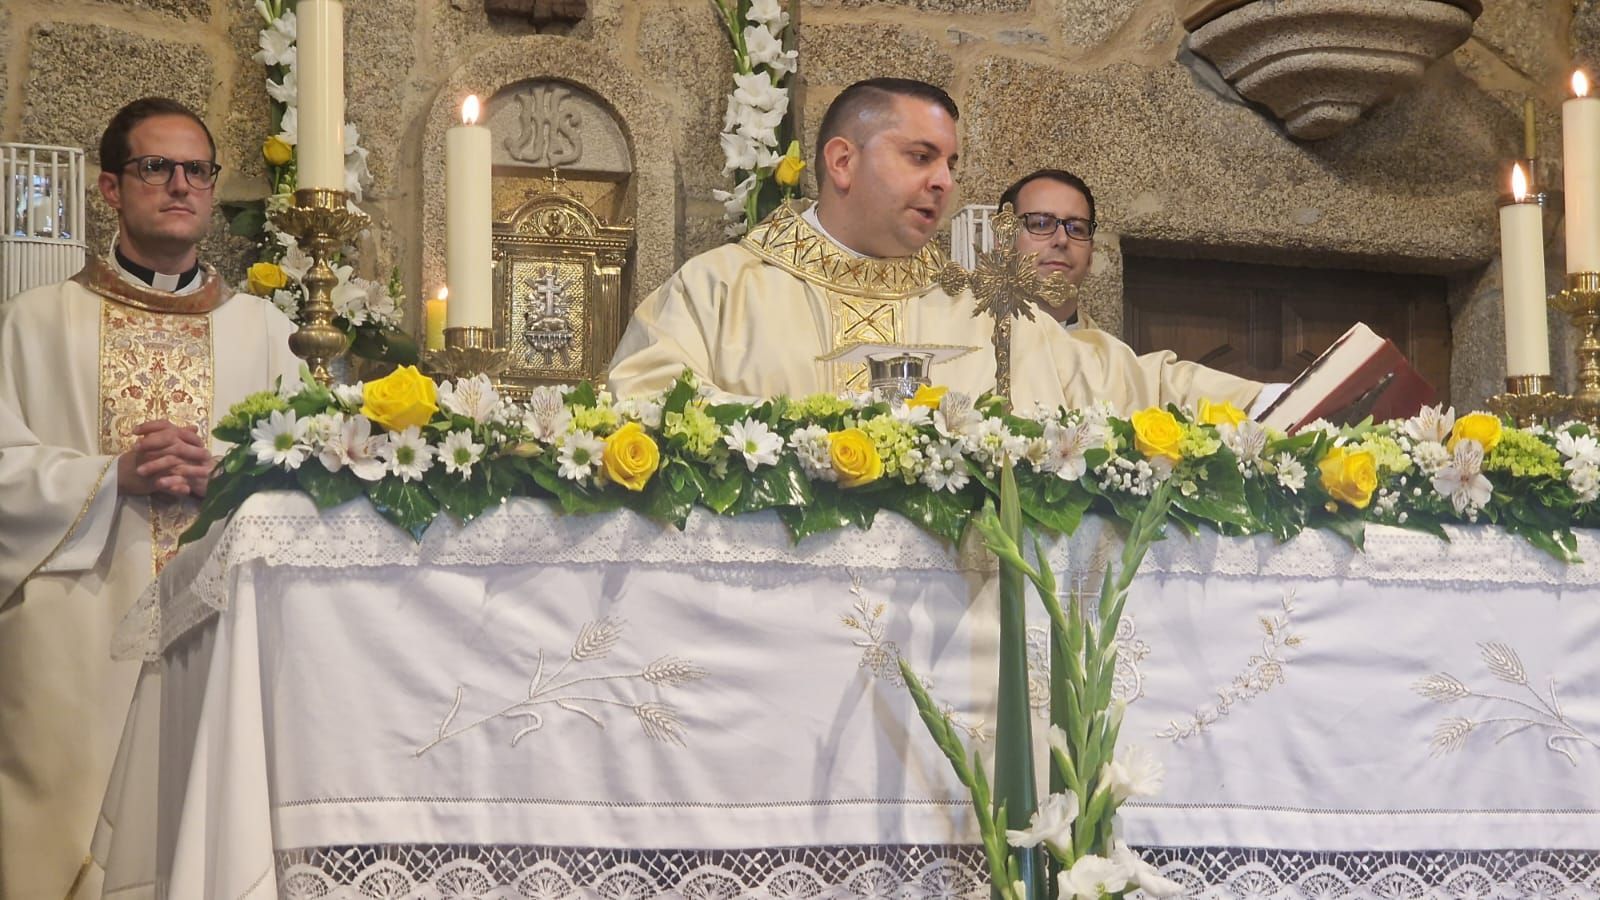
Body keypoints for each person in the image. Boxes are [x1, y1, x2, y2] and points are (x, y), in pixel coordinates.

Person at [0, 97, 299, 899]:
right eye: (155, 167)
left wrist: (225, 469)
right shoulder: (31, 324)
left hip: (225, 633)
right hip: (76, 639)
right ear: (109, 187)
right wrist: (109, 477)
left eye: (197, 170)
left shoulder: (268, 334)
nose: (180, 184)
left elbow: (314, 480)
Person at [608, 78, 1262, 412]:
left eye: (950, 162)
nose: (944, 181)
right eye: (920, 156)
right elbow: (641, 400)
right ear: (842, 161)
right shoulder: (723, 288)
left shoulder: (982, 311)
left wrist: (1289, 403)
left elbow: (1131, 384)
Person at [998, 168, 1098, 329]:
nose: (1062, 239)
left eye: (1076, 229)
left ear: (1090, 257)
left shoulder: (1108, 353)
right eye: (1041, 224)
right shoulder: (961, 342)